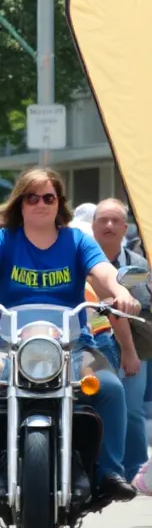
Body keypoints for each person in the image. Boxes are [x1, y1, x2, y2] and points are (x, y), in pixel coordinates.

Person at [0, 168, 139, 503]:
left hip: (74, 345)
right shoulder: (2, 240)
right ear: (20, 202)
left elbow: (102, 272)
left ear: (59, 203)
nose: (40, 204)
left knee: (109, 387)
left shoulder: (77, 240)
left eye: (49, 197)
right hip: (11, 345)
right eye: (32, 197)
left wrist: (120, 291)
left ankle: (108, 471)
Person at [91, 198, 151, 480]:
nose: (109, 225)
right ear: (93, 226)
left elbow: (135, 307)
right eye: (103, 220)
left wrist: (129, 352)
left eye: (116, 220)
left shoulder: (138, 264)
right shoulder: (79, 258)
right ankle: (96, 468)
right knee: (89, 407)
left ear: (125, 228)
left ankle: (137, 471)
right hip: (88, 346)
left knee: (131, 410)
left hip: (132, 348)